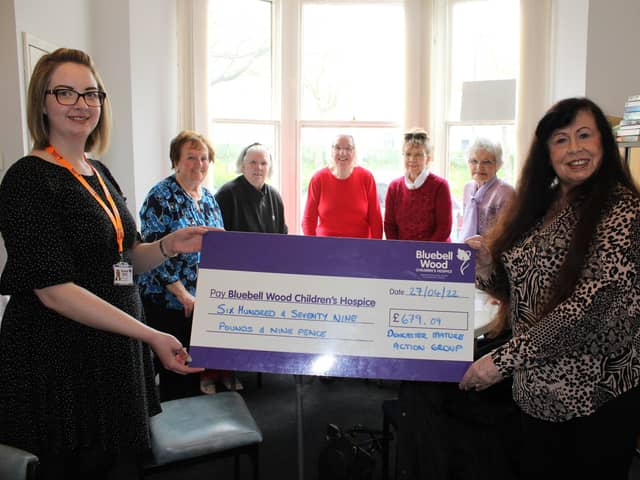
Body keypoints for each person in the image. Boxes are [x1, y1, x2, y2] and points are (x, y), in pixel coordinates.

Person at [0, 48, 208, 479]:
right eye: (65, 93)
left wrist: (170, 244)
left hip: (114, 350)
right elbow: (53, 290)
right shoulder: (27, 178)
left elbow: (126, 257)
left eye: (91, 94)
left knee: (116, 465)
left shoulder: (98, 171)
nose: (82, 104)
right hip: (61, 359)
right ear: (42, 102)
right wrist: (150, 333)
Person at [459, 97, 640, 480]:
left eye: (584, 135)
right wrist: (489, 268)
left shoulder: (625, 212)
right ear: (546, 151)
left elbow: (591, 307)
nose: (574, 148)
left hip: (594, 397)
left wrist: (500, 362)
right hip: (537, 393)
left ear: (604, 144)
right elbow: (519, 292)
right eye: (560, 139)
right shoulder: (545, 205)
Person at [137, 130, 227, 399]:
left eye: (204, 158)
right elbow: (155, 251)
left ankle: (193, 428)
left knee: (194, 367)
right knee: (175, 373)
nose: (198, 164)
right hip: (168, 301)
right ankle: (172, 432)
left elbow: (218, 248)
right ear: (175, 160)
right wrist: (183, 294)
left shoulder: (209, 199)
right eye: (190, 157)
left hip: (200, 300)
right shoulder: (161, 197)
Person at [302, 134, 382, 238]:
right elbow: (308, 220)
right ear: (332, 151)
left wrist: (375, 249)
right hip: (325, 247)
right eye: (338, 148)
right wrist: (313, 247)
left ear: (354, 152)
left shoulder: (367, 178)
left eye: (348, 148)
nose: (342, 153)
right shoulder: (318, 179)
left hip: (360, 248)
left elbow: (376, 220)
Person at [459, 138, 515, 277]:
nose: (479, 167)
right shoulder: (468, 188)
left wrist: (480, 245)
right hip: (465, 262)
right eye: (474, 161)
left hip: (494, 266)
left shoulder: (505, 192)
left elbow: (507, 237)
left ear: (498, 165)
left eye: (486, 162)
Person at [384, 128, 452, 241]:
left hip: (433, 254)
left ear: (428, 158)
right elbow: (390, 226)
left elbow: (444, 228)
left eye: (418, 155)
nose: (412, 159)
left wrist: (423, 254)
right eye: (408, 154)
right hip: (403, 252)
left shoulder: (440, 186)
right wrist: (398, 250)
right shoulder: (393, 187)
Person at [215, 142, 288, 234]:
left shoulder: (275, 197)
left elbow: (282, 235)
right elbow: (218, 238)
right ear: (243, 166)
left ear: (269, 167)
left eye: (264, 163)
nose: (259, 167)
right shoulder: (226, 195)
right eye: (253, 162)